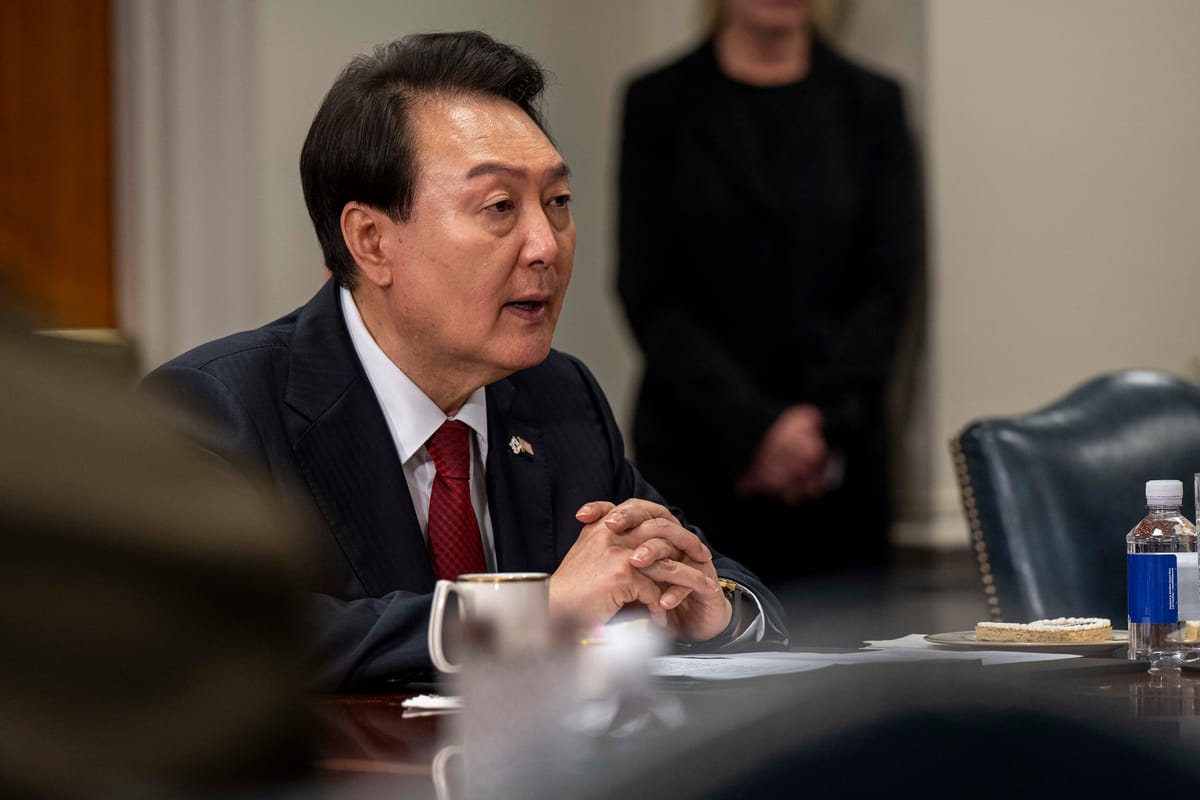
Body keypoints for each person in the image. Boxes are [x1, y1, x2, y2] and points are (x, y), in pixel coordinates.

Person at [144, 31, 788, 693]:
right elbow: (219, 634)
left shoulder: (558, 396)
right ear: (371, 242)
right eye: (500, 207)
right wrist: (526, 617)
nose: (546, 245)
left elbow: (693, 566)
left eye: (558, 203)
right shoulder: (218, 410)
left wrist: (712, 609)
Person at [617, 0, 921, 585]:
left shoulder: (873, 102)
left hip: (839, 467)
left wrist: (816, 429)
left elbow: (891, 282)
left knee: (851, 669)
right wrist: (756, 428)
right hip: (699, 455)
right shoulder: (658, 102)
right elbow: (648, 291)